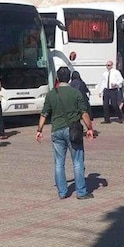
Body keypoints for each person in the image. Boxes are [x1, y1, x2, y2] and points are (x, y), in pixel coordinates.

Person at [36, 66, 95, 200]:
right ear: (69, 78)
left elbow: (44, 114)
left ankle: (62, 192)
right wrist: (89, 128)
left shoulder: (51, 94)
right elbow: (84, 113)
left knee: (58, 162)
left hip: (56, 131)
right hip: (73, 130)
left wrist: (39, 130)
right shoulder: (76, 93)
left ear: (57, 77)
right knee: (78, 162)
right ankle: (81, 192)